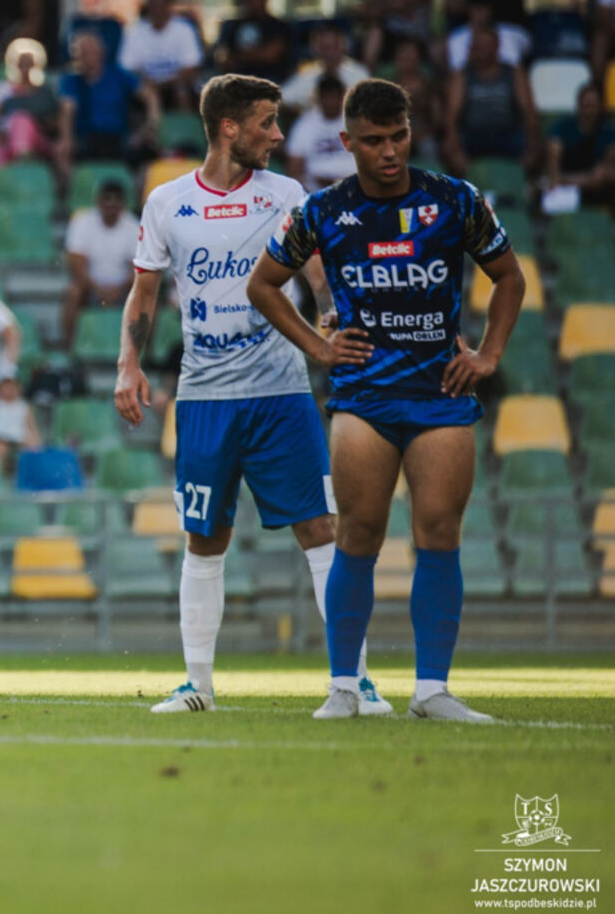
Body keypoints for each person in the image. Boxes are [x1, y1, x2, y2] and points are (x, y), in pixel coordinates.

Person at [249, 78, 525, 722]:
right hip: (363, 398)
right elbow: (264, 285)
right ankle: (344, 686)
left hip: (440, 394)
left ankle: (432, 690)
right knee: (360, 535)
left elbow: (509, 275)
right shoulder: (321, 211)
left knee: (438, 533)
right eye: (373, 141)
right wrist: (319, 349)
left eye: (398, 136)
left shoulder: (455, 200)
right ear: (347, 142)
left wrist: (487, 355)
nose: (390, 151)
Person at [117, 75, 388, 716]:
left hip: (280, 393)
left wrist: (327, 312)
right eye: (267, 122)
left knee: (320, 530)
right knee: (204, 539)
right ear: (229, 128)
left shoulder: (287, 194)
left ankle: (355, 681)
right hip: (205, 399)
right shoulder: (167, 202)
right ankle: (198, 686)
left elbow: (317, 272)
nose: (278, 134)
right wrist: (129, 363)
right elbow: (145, 292)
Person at [442, 27, 541, 179]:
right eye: (476, 46)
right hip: (473, 134)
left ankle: (518, 185)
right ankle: (472, 185)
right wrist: (452, 136)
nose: (479, 50)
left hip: (508, 132)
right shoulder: (462, 75)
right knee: (448, 149)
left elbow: (527, 109)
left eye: (484, 46)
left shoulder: (514, 73)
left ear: (496, 47)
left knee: (538, 148)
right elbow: (452, 113)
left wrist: (532, 136)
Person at [61, 179, 140, 350]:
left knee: (147, 297)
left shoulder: (133, 225)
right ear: (98, 201)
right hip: (89, 287)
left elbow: (138, 269)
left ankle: (143, 354)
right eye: (107, 201)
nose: (111, 206)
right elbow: (77, 264)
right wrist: (97, 289)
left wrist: (118, 289)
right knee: (73, 292)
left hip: (123, 289)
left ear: (123, 205)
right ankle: (69, 347)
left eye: (116, 202)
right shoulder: (82, 221)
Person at [60, 31, 155, 162]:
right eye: (83, 52)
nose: (88, 56)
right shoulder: (71, 80)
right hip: (86, 139)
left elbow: (149, 95)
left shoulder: (119, 75)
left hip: (119, 138)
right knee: (63, 152)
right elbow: (67, 110)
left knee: (148, 153)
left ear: (102, 52)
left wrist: (149, 124)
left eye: (92, 51)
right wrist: (67, 139)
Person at [0, 39, 66, 182]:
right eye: (21, 64)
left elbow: (56, 124)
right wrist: (0, 134)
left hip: (39, 143)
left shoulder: (45, 92)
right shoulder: (2, 90)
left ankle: (23, 163)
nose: (25, 68)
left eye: (29, 64)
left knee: (22, 120)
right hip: (6, 140)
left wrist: (37, 124)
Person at [118, 0, 202, 113]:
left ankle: (185, 129)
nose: (158, 10)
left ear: (169, 7)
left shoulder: (184, 29)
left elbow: (191, 67)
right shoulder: (135, 32)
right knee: (144, 92)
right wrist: (146, 81)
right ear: (148, 8)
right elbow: (127, 68)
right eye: (154, 5)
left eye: (162, 5)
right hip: (146, 85)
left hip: (176, 84)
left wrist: (164, 82)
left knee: (181, 90)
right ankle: (150, 131)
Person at [547, 83, 615, 208]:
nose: (589, 111)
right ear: (578, 105)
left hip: (597, 191)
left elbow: (602, 172)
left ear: (601, 107)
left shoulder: (608, 132)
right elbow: (553, 157)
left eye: (593, 106)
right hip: (564, 191)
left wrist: (566, 180)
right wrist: (558, 179)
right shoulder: (563, 127)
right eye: (586, 106)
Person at [280, 23, 371, 115]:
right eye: (324, 48)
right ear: (315, 49)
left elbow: (368, 106)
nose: (329, 53)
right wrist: (297, 109)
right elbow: (280, 99)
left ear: (343, 46)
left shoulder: (359, 73)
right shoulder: (307, 73)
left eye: (334, 47)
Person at [284, 74, 355, 191]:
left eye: (334, 97)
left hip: (354, 187)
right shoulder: (305, 123)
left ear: (343, 96)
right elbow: (294, 169)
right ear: (318, 98)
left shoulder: (356, 120)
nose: (331, 102)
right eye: (326, 97)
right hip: (316, 190)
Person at [214, 0, 293, 82]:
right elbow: (223, 56)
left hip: (269, 80)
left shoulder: (278, 26)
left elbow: (270, 55)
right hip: (236, 81)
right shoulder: (233, 25)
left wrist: (238, 57)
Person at [444, 0, 530, 73]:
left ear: (491, 10)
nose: (480, 13)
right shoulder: (456, 39)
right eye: (476, 8)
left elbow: (517, 70)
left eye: (484, 8)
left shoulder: (512, 35)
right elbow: (457, 73)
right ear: (468, 10)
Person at [0, 371, 40, 476]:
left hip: (20, 438)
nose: (9, 390)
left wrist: (35, 441)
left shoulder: (24, 406)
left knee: (32, 444)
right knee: (0, 449)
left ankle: (31, 476)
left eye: (13, 387)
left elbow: (32, 428)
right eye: (6, 387)